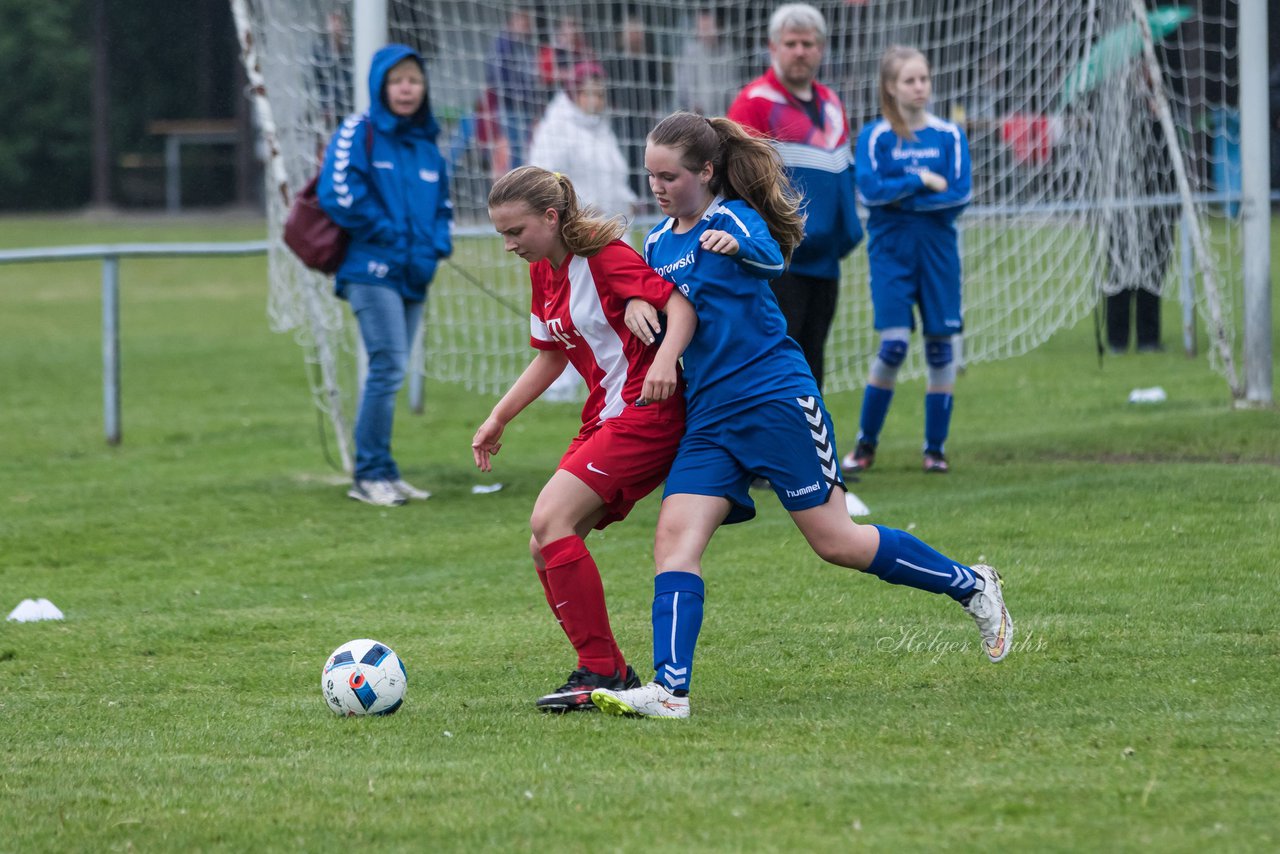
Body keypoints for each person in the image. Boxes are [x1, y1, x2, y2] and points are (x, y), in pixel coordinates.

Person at [588, 112, 1011, 720]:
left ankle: (972, 584)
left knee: (837, 543)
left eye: (670, 175)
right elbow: (658, 296)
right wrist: (632, 302)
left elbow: (772, 257)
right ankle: (670, 691)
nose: (657, 186)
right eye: (650, 174)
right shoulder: (657, 241)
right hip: (710, 417)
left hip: (776, 402)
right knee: (673, 539)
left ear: (706, 172)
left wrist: (739, 246)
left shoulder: (730, 217)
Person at [474, 166, 694, 712]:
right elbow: (550, 356)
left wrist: (665, 360)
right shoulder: (545, 271)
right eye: (501, 233)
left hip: (646, 414)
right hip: (604, 417)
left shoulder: (604, 257)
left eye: (516, 231)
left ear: (551, 217)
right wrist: (499, 417)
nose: (508, 245)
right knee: (543, 544)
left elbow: (681, 305)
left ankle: (600, 670)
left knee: (549, 522)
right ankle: (608, 669)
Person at [318, 44, 452, 506]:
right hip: (370, 271)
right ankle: (368, 473)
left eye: (414, 80)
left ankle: (385, 470)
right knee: (388, 365)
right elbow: (338, 193)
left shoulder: (428, 147)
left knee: (393, 369)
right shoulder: (360, 130)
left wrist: (437, 246)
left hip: (414, 274)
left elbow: (442, 209)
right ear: (381, 86)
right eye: (397, 80)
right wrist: (389, 236)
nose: (407, 88)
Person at [844, 46, 971, 476]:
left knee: (940, 350)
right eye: (910, 80)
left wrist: (900, 197)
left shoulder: (950, 135)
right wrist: (919, 179)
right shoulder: (875, 137)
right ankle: (865, 445)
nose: (920, 88)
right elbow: (869, 192)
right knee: (894, 345)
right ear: (891, 88)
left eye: (924, 79)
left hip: (938, 254)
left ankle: (935, 449)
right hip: (891, 253)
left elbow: (957, 196)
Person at [727, 3, 863, 391]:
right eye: (791, 43)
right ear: (773, 47)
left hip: (826, 260)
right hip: (779, 261)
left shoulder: (832, 103)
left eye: (808, 43)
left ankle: (810, 448)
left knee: (813, 359)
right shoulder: (754, 102)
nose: (800, 51)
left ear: (821, 48)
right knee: (777, 361)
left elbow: (842, 171)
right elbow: (739, 182)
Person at [1106, 64, 1176, 354]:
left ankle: (1149, 338)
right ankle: (1118, 340)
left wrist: (1159, 115)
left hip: (1156, 204)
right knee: (1121, 269)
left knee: (1153, 269)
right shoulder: (1116, 106)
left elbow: (1172, 159)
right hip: (1124, 204)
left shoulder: (1165, 107)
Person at [528, 63, 637, 221]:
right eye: (590, 94)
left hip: (613, 223)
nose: (597, 101)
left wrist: (627, 200)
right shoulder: (555, 128)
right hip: (577, 224)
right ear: (575, 93)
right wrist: (580, 208)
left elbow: (616, 173)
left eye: (601, 95)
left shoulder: (602, 128)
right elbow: (546, 177)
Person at [605, 12, 668, 201]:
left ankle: (647, 196)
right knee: (626, 157)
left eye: (637, 31)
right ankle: (631, 196)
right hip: (622, 118)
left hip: (646, 117)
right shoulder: (615, 60)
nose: (634, 35)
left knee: (648, 153)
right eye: (630, 31)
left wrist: (654, 106)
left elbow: (660, 85)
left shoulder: (650, 59)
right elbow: (610, 87)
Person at [484, 9, 539, 169]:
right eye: (523, 22)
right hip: (510, 107)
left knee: (526, 148)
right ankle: (515, 187)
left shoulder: (524, 45)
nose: (526, 27)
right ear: (513, 21)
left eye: (528, 23)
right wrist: (515, 94)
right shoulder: (502, 44)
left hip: (526, 106)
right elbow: (495, 75)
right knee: (515, 149)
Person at [673, 9, 739, 119]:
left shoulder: (727, 51)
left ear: (717, 27)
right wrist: (693, 105)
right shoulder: (690, 52)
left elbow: (732, 85)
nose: (704, 33)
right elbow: (683, 85)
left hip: (723, 115)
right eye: (701, 29)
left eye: (708, 28)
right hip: (695, 115)